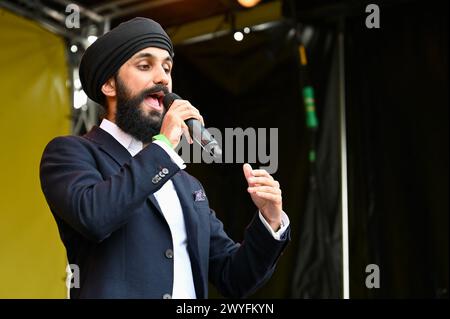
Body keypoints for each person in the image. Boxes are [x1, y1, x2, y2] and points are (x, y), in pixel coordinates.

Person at [40, 17, 290, 299]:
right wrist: (164, 147)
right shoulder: (71, 153)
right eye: (145, 66)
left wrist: (270, 221)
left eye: (167, 67)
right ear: (109, 85)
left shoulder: (186, 184)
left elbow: (233, 278)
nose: (162, 78)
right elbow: (95, 216)